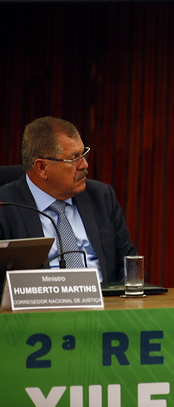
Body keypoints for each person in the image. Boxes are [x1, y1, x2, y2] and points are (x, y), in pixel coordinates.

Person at [0, 117, 137, 283]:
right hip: (41, 305)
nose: (84, 165)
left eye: (84, 154)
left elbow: (129, 263)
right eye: (74, 158)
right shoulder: (5, 206)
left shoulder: (101, 197)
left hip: (105, 302)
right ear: (42, 168)